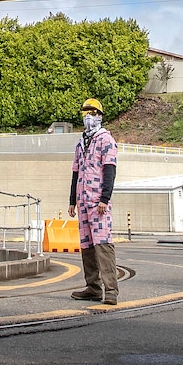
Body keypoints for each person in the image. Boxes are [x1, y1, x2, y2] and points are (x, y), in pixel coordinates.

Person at [68, 97, 119, 305]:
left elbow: (110, 169)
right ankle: (93, 287)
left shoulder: (105, 139)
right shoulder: (81, 143)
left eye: (91, 112)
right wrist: (72, 200)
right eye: (85, 113)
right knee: (87, 244)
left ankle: (111, 289)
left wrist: (105, 197)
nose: (87, 116)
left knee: (103, 243)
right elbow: (75, 172)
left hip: (98, 201)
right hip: (83, 200)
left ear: (99, 116)